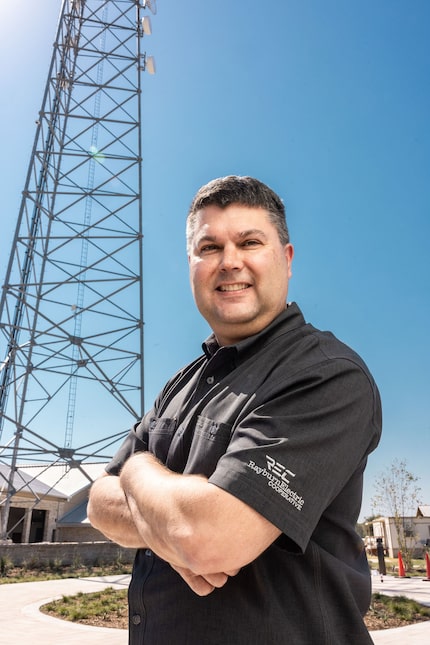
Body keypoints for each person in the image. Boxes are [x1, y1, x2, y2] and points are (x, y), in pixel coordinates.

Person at [88, 175, 382, 645]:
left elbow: (210, 539)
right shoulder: (179, 385)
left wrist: (138, 470)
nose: (229, 262)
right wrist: (175, 521)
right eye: (209, 248)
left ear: (285, 259)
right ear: (191, 265)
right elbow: (98, 504)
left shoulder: (326, 375)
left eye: (250, 242)